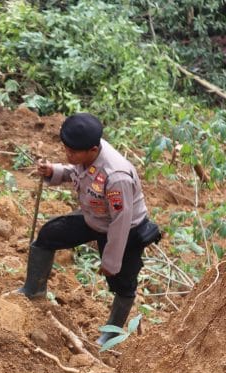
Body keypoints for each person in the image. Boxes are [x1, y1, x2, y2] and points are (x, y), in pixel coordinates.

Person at [17, 113, 160, 345]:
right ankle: (33, 290)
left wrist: (111, 260)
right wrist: (54, 171)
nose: (68, 155)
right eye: (66, 150)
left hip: (124, 230)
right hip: (94, 217)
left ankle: (110, 334)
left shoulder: (116, 176)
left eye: (72, 153)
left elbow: (121, 221)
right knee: (48, 235)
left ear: (93, 150)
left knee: (123, 284)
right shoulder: (85, 157)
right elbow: (76, 172)